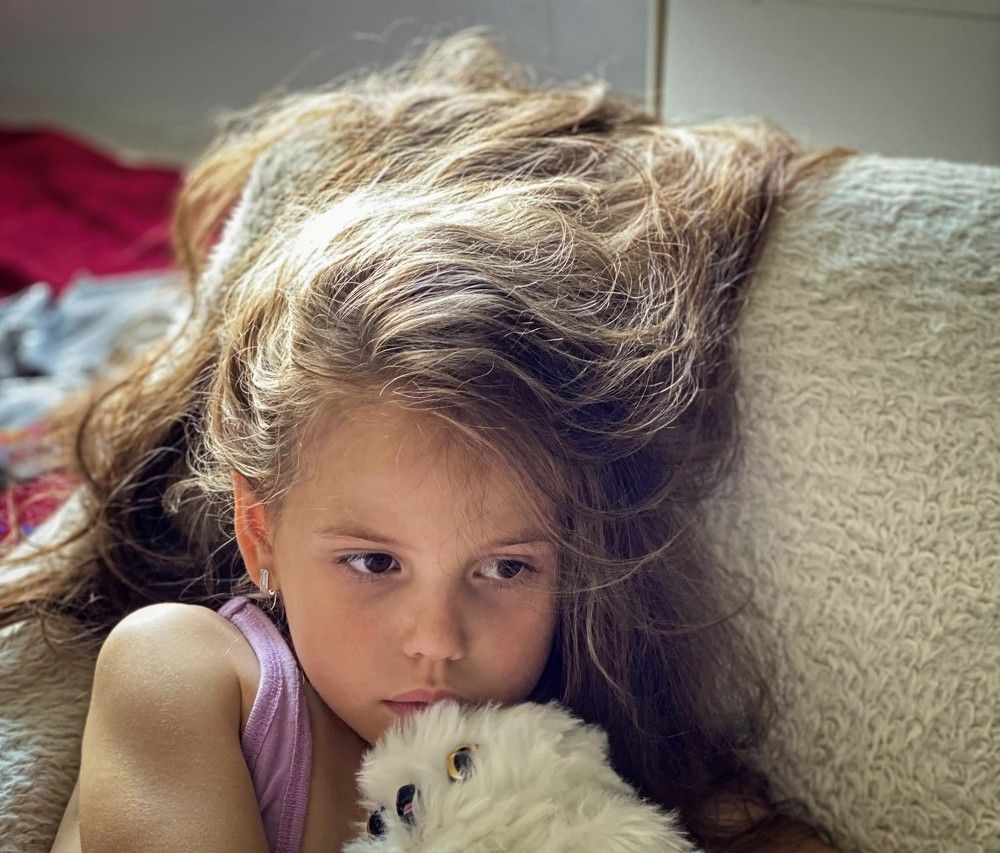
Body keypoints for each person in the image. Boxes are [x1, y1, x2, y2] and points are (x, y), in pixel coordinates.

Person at [1, 26, 851, 853]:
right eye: (374, 562)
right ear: (260, 534)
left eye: (506, 568)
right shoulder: (191, 672)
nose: (439, 638)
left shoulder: (565, 763)